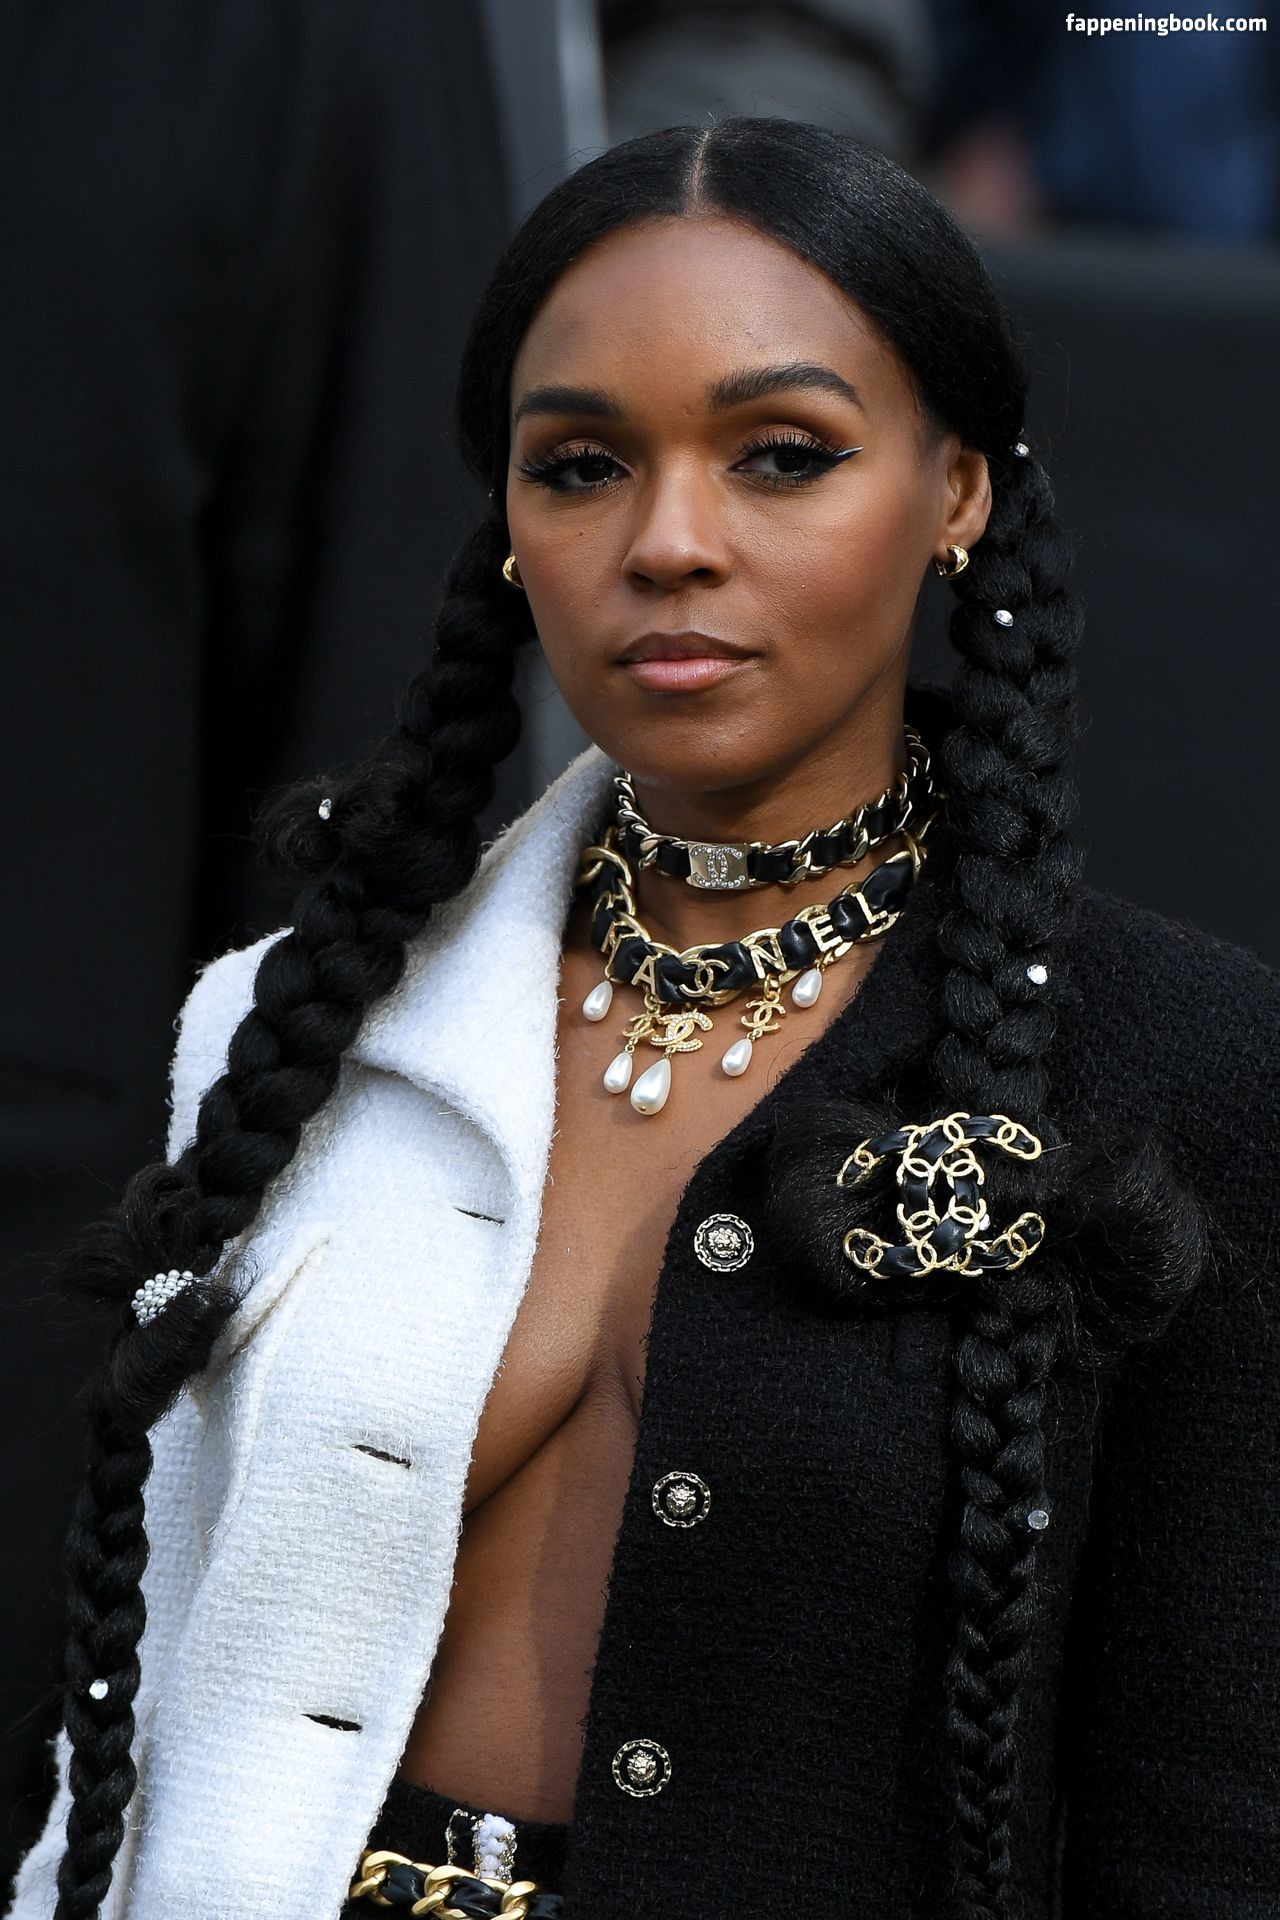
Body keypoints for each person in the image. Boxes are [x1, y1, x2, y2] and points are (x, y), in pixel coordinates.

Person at [8, 117, 1278, 1920]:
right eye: (582, 465)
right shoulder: (293, 1027)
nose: (669, 542)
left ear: (957, 492)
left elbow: (1212, 1829)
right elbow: (124, 1722)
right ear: (510, 531)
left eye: (783, 456)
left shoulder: (1185, 1070)